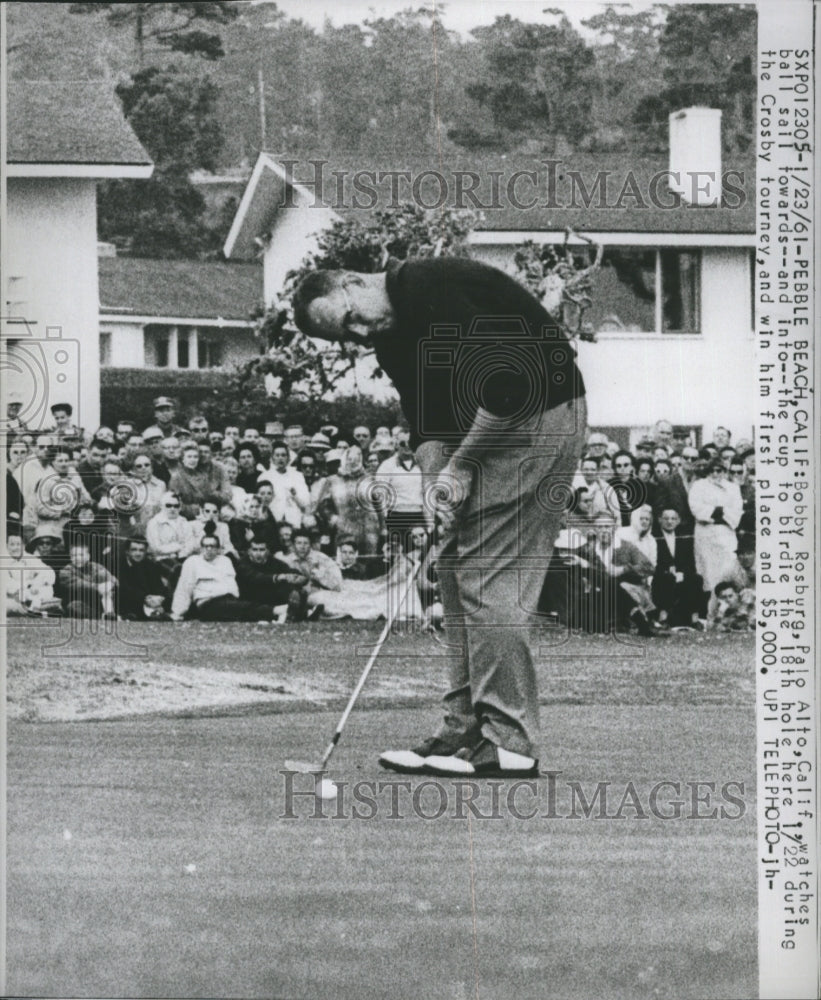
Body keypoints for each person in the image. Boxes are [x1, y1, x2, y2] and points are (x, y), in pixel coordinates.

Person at [292, 254, 586, 777]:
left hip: (538, 416)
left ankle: (509, 741)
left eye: (350, 319)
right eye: (345, 337)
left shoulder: (435, 285)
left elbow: (510, 383)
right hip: (493, 427)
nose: (358, 335)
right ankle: (463, 731)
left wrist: (465, 463)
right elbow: (427, 416)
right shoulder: (391, 337)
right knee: (453, 570)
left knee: (486, 575)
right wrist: (436, 486)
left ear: (353, 282)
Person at [170, 525, 275, 622]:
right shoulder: (193, 561)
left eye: (213, 546)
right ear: (201, 548)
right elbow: (185, 587)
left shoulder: (225, 561)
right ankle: (276, 611)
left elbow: (231, 584)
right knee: (242, 609)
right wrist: (178, 612)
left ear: (218, 549)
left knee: (242, 608)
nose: (209, 549)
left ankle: (275, 613)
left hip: (229, 599)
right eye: (206, 546)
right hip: (208, 602)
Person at [688, 459, 743, 599]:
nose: (715, 473)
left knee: (728, 570)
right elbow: (696, 508)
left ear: (724, 472)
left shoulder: (733, 488)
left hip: (726, 533)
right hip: (706, 533)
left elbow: (736, 510)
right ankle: (709, 608)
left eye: (719, 470)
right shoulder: (698, 486)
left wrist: (718, 512)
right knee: (708, 574)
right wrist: (721, 510)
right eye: (712, 470)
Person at [235, 532, 310, 621]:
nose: (258, 553)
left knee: (294, 589)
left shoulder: (273, 561)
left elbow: (288, 570)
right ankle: (301, 613)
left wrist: (298, 578)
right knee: (279, 583)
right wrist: (278, 577)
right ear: (249, 551)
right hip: (251, 597)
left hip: (270, 596)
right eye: (255, 550)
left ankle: (298, 612)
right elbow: (255, 577)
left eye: (262, 550)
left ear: (267, 551)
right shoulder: (242, 563)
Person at [651, 509, 704, 629]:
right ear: (659, 520)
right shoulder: (653, 536)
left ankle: (694, 618)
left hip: (681, 574)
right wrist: (667, 570)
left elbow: (690, 562)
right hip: (661, 574)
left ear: (678, 521)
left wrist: (683, 573)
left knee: (696, 579)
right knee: (666, 578)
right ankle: (663, 617)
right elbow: (652, 560)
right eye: (666, 518)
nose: (669, 522)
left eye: (673, 519)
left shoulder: (684, 538)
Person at [4, 531, 61, 616]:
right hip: (14, 594)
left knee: (47, 589)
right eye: (12, 545)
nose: (16, 548)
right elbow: (7, 584)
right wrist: (28, 584)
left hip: (32, 593)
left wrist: (36, 584)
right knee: (9, 604)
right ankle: (36, 610)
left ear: (23, 546)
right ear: (6, 546)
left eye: (18, 544)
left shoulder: (30, 558)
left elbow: (49, 573)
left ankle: (35, 609)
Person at [58, 540, 117, 619]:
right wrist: (97, 587)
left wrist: (110, 583)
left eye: (81, 555)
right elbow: (78, 584)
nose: (78, 558)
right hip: (79, 601)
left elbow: (114, 580)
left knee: (103, 576)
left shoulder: (96, 567)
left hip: (97, 602)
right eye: (74, 555)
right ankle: (102, 616)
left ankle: (110, 612)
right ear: (71, 558)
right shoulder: (66, 571)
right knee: (73, 606)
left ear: (88, 556)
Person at [115, 537, 169, 620]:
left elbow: (158, 585)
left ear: (146, 551)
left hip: (148, 601)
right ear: (127, 551)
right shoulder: (118, 564)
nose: (138, 553)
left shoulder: (150, 565)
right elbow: (123, 587)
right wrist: (145, 598)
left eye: (141, 550)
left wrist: (158, 598)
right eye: (134, 550)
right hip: (127, 600)